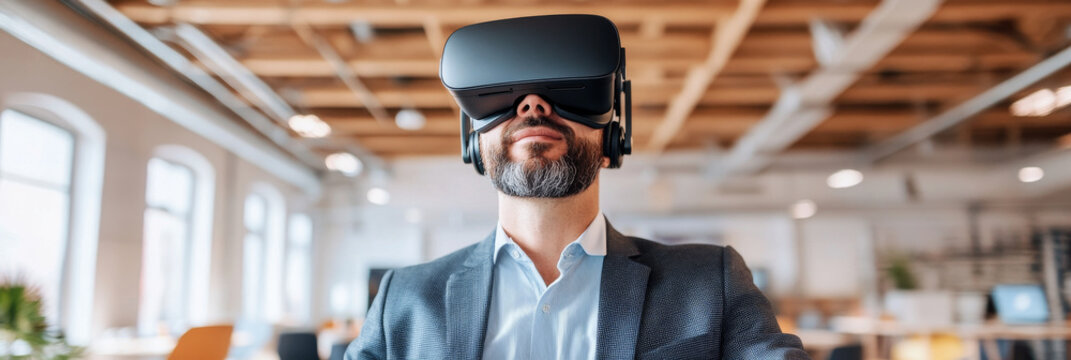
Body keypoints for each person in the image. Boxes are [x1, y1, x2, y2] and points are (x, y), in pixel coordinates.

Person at [346, 16, 809, 360]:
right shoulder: (404, 301)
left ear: (612, 138)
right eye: (507, 99)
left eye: (561, 95)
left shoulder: (711, 284)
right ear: (474, 142)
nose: (532, 105)